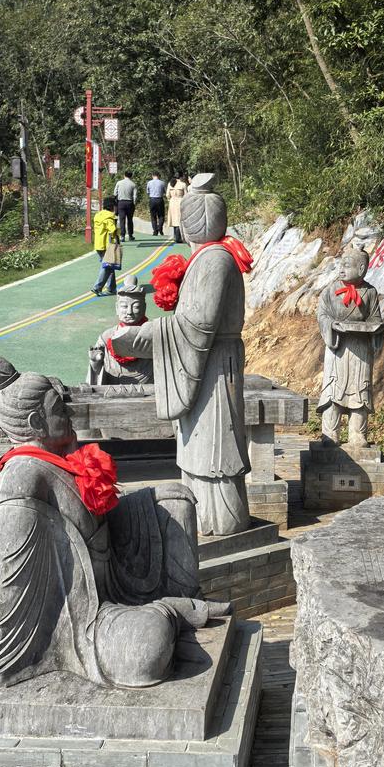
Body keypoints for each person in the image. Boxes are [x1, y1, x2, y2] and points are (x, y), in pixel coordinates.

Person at [0, 354, 230, 696]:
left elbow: (101, 515)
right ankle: (172, 611)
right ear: (37, 421)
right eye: (59, 409)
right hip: (83, 617)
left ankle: (184, 603)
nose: (69, 415)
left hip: (116, 574)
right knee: (145, 651)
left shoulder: (56, 461)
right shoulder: (22, 477)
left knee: (176, 499)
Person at [111, 174, 254, 536]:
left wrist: (148, 336)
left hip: (213, 365)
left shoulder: (214, 260)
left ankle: (220, 522)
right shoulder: (213, 256)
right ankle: (202, 518)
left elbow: (197, 325)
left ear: (189, 225)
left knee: (215, 450)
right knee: (199, 448)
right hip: (205, 359)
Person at [316, 248, 384, 447]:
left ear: (361, 268)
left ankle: (357, 434)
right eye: (341, 265)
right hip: (337, 346)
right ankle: (330, 433)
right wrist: (331, 325)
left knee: (360, 391)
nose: (342, 269)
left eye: (347, 265)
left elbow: (375, 318)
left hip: (361, 348)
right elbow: (322, 314)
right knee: (333, 390)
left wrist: (376, 328)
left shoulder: (370, 292)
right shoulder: (330, 290)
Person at [87, 275, 153, 385]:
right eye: (124, 306)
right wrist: (95, 363)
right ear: (117, 308)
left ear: (144, 308)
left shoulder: (152, 335)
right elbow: (95, 379)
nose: (129, 312)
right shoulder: (106, 337)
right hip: (113, 390)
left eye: (136, 306)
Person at [91, 196, 119, 297]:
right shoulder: (109, 217)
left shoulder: (98, 215)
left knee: (110, 267)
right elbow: (113, 230)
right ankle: (97, 287)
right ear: (112, 206)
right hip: (107, 245)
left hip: (99, 244)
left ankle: (111, 288)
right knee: (107, 267)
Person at [113, 170, 138, 241]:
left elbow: (115, 193)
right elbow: (135, 196)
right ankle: (130, 235)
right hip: (130, 203)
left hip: (121, 203)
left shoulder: (119, 183)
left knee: (122, 219)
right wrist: (134, 203)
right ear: (131, 176)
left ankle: (122, 236)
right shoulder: (133, 184)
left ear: (124, 175)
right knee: (130, 219)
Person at [166, 172, 187, 244]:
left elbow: (167, 195)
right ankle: (179, 237)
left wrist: (170, 199)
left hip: (172, 202)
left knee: (173, 219)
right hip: (180, 201)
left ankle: (175, 236)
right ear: (180, 177)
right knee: (179, 219)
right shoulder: (183, 184)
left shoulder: (170, 183)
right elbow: (186, 195)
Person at [146, 171, 167, 236]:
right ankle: (160, 228)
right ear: (159, 176)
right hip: (160, 199)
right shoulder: (162, 183)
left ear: (152, 176)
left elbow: (147, 191)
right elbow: (164, 191)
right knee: (161, 215)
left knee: (153, 216)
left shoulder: (149, 183)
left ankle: (155, 231)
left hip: (152, 199)